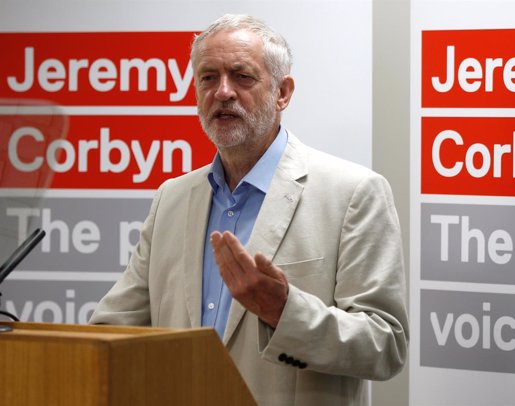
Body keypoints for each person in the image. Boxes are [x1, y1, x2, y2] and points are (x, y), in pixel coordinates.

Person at [89, 14, 408, 406]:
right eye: (208, 77)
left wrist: (284, 310)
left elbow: (385, 345)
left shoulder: (353, 193)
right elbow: (113, 327)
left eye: (242, 76)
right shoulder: (172, 197)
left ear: (283, 93)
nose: (223, 92)